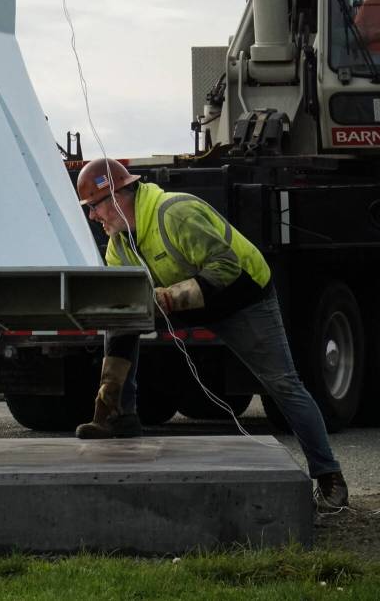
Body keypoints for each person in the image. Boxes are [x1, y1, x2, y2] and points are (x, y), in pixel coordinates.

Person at [74, 157, 348, 512]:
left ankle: (329, 478)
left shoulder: (175, 213)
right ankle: (115, 415)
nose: (93, 217)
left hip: (241, 296)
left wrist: (168, 298)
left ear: (116, 194)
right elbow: (125, 302)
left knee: (282, 383)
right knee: (122, 319)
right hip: (186, 299)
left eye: (94, 207)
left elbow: (226, 268)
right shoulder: (120, 243)